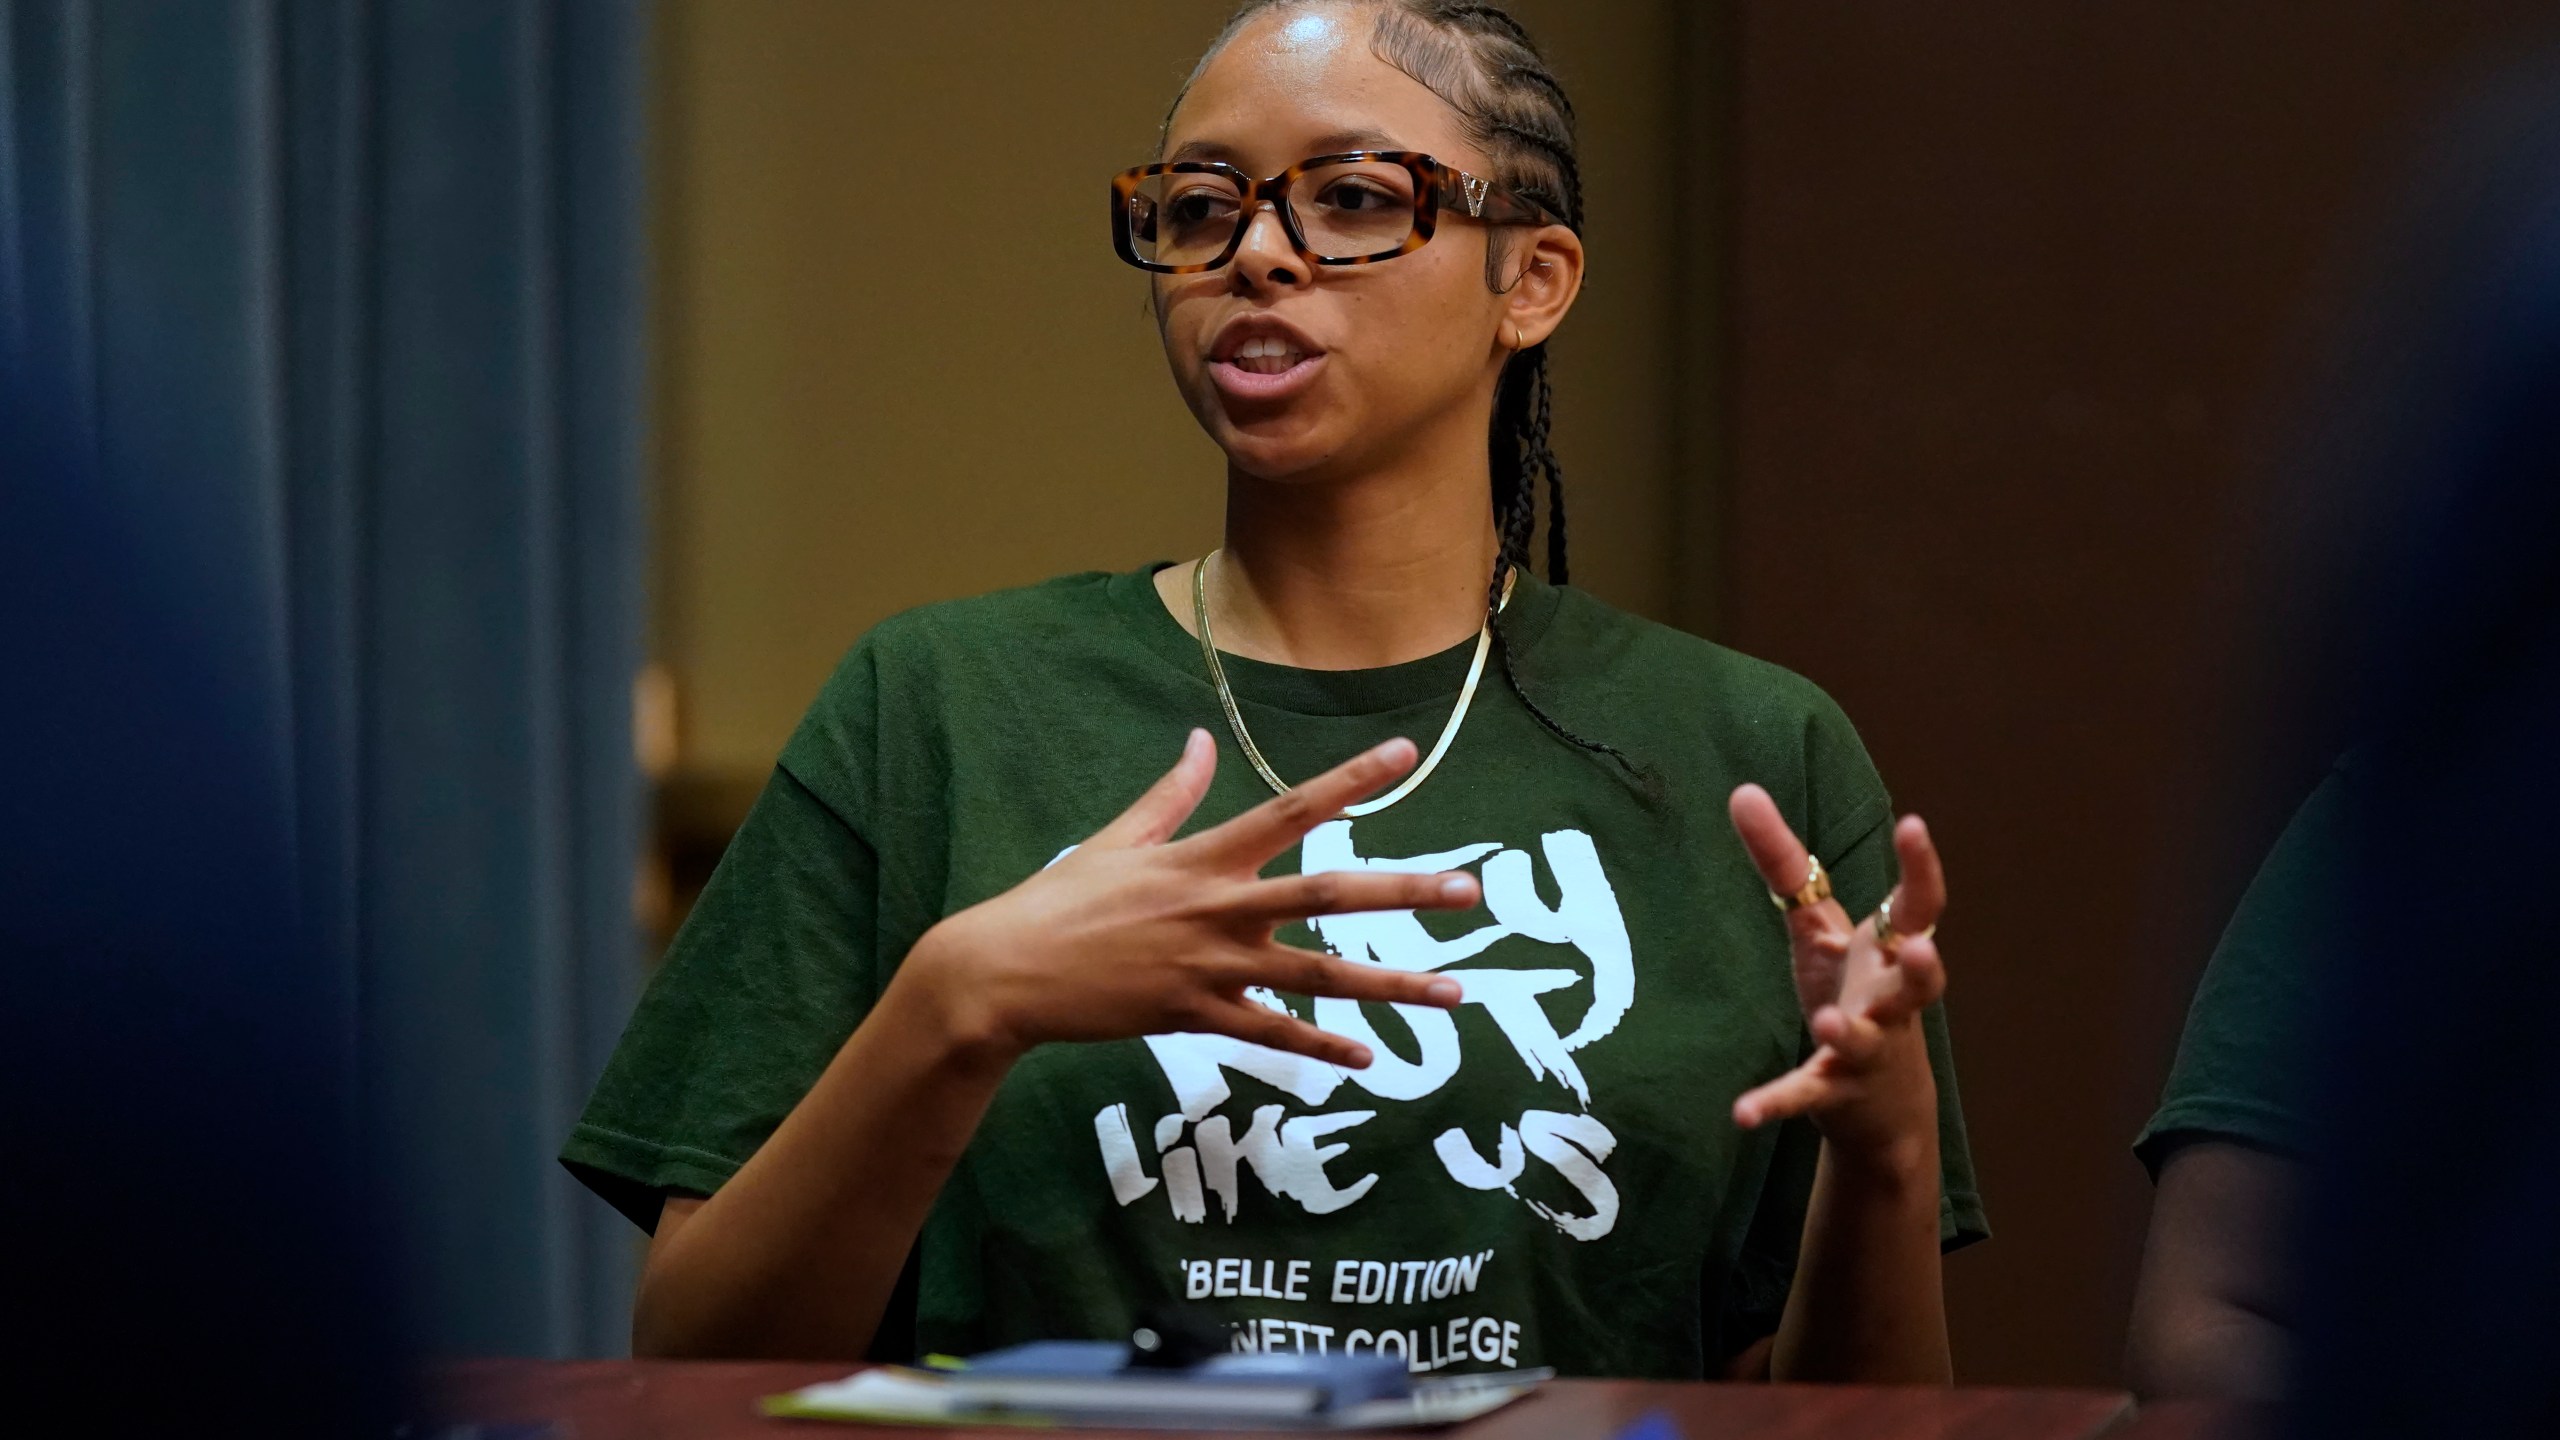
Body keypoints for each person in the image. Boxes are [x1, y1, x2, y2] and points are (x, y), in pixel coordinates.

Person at [564, 0, 1984, 1380]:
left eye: (1354, 198)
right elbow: (692, 1365)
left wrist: (1889, 1146)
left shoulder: (1749, 749)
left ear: (1533, 280)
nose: (1258, 252)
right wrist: (957, 1009)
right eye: (1200, 207)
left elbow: (1859, 1420)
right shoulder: (935, 703)